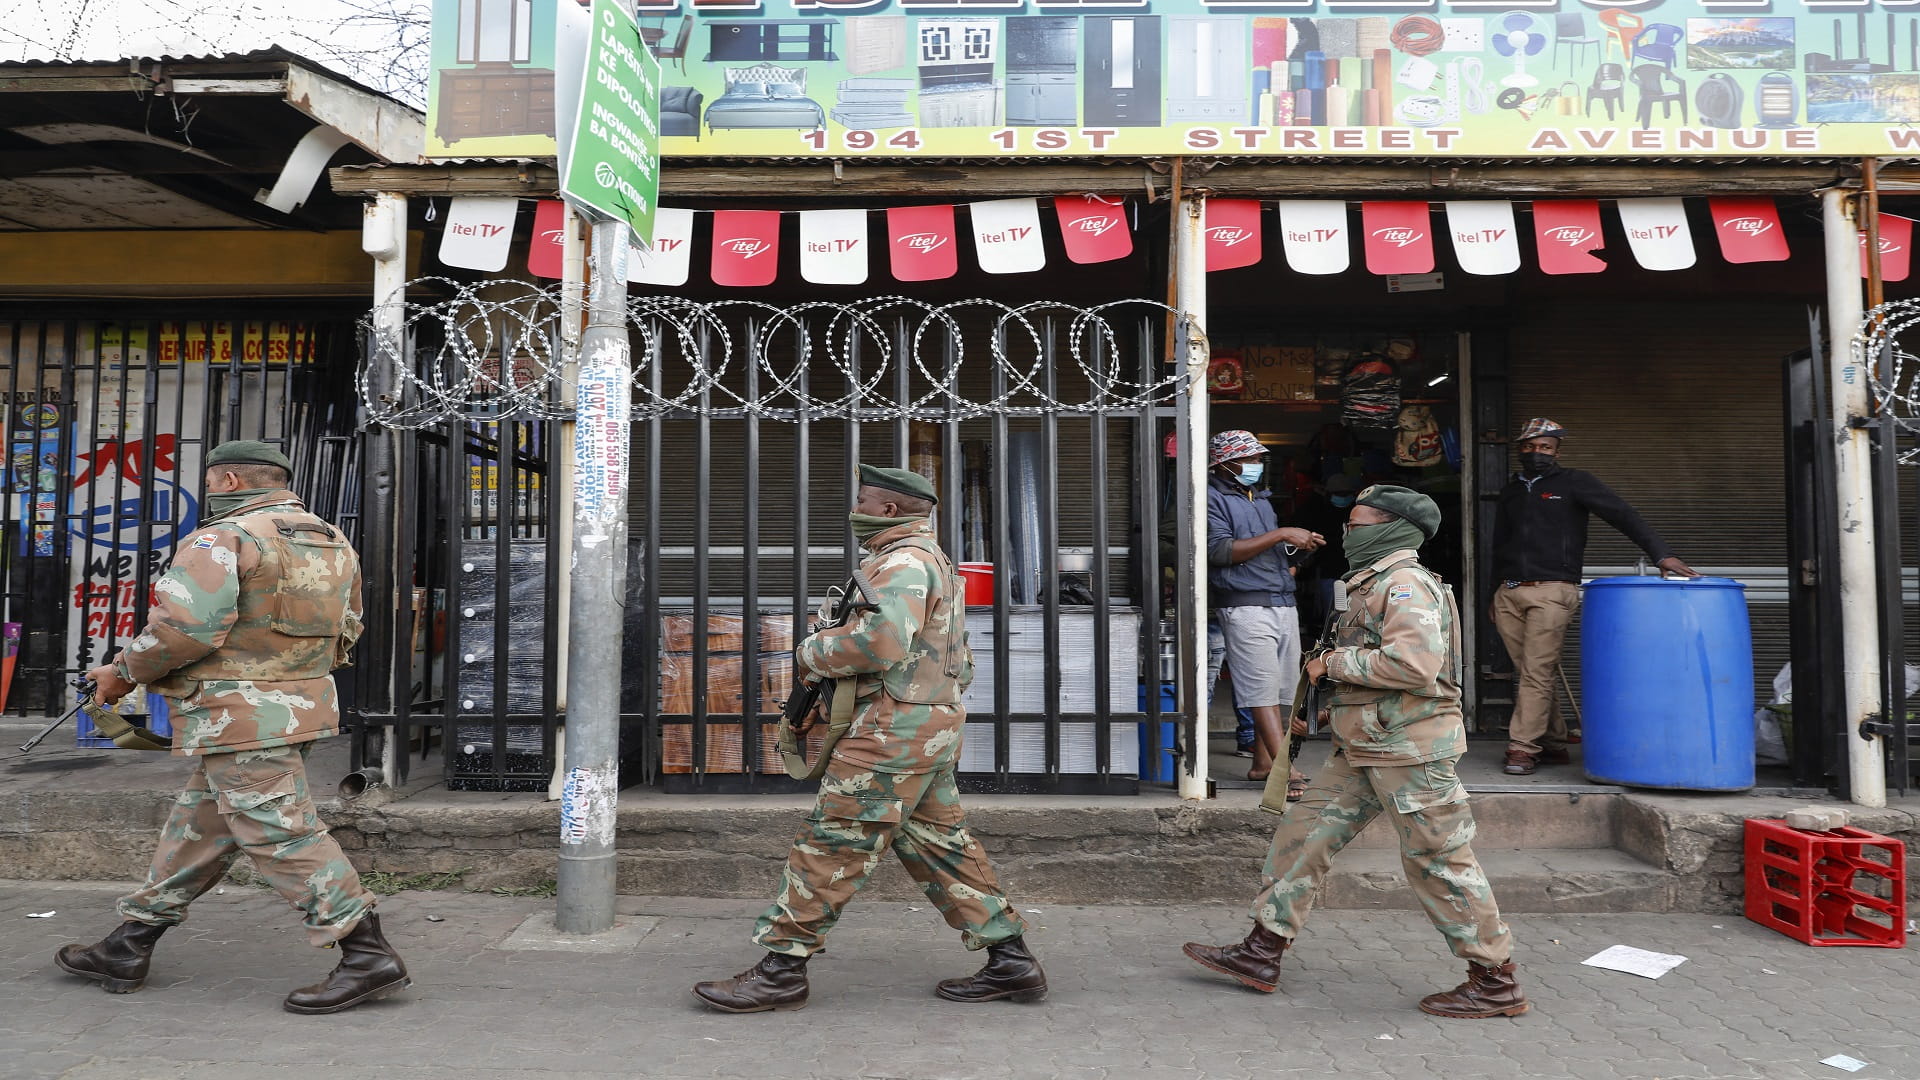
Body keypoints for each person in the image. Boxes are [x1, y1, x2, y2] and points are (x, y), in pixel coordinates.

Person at [53, 441, 403, 1015]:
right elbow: (350, 627)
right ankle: (128, 944)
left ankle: (366, 954)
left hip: (236, 717)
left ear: (231, 480)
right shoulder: (331, 539)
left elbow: (183, 630)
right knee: (202, 828)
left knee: (281, 833)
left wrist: (121, 673)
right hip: (297, 708)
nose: (210, 489)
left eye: (213, 480)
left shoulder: (225, 538)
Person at [692, 464, 1042, 1013]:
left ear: (888, 510)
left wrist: (811, 650)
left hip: (892, 732)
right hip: (921, 726)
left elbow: (880, 644)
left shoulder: (903, 562)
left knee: (832, 843)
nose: (854, 509)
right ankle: (1011, 962)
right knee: (939, 845)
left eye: (862, 500)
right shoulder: (927, 558)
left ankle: (782, 971)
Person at [1182, 485, 1528, 1019]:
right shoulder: (1372, 582)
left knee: (1438, 860)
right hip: (1365, 746)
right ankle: (1262, 950)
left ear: (1392, 528)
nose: (1348, 533)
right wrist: (1326, 713)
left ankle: (1494, 980)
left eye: (1358, 525)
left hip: (1410, 751)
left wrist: (1332, 664)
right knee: (1303, 837)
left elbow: (1414, 667)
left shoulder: (1405, 584)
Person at [1490, 418, 1697, 776]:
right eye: (1531, 446)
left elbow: (1623, 515)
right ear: (1520, 449)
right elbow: (1497, 543)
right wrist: (1492, 595)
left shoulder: (1574, 482)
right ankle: (1553, 742)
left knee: (1536, 672)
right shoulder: (1511, 490)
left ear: (1557, 452)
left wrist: (1661, 554)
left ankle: (1522, 747)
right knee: (1531, 672)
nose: (1538, 453)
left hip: (1553, 590)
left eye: (1545, 447)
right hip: (1508, 592)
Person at [1206, 430, 1325, 791]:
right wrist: (1282, 534)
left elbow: (1265, 551)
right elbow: (1220, 552)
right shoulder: (1210, 498)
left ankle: (1261, 764)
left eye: (1259, 458)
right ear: (1226, 463)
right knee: (1260, 690)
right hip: (1244, 603)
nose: (1257, 464)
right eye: (1251, 459)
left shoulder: (1258, 498)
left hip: (1280, 600)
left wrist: (1297, 551)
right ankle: (1284, 771)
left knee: (1280, 691)